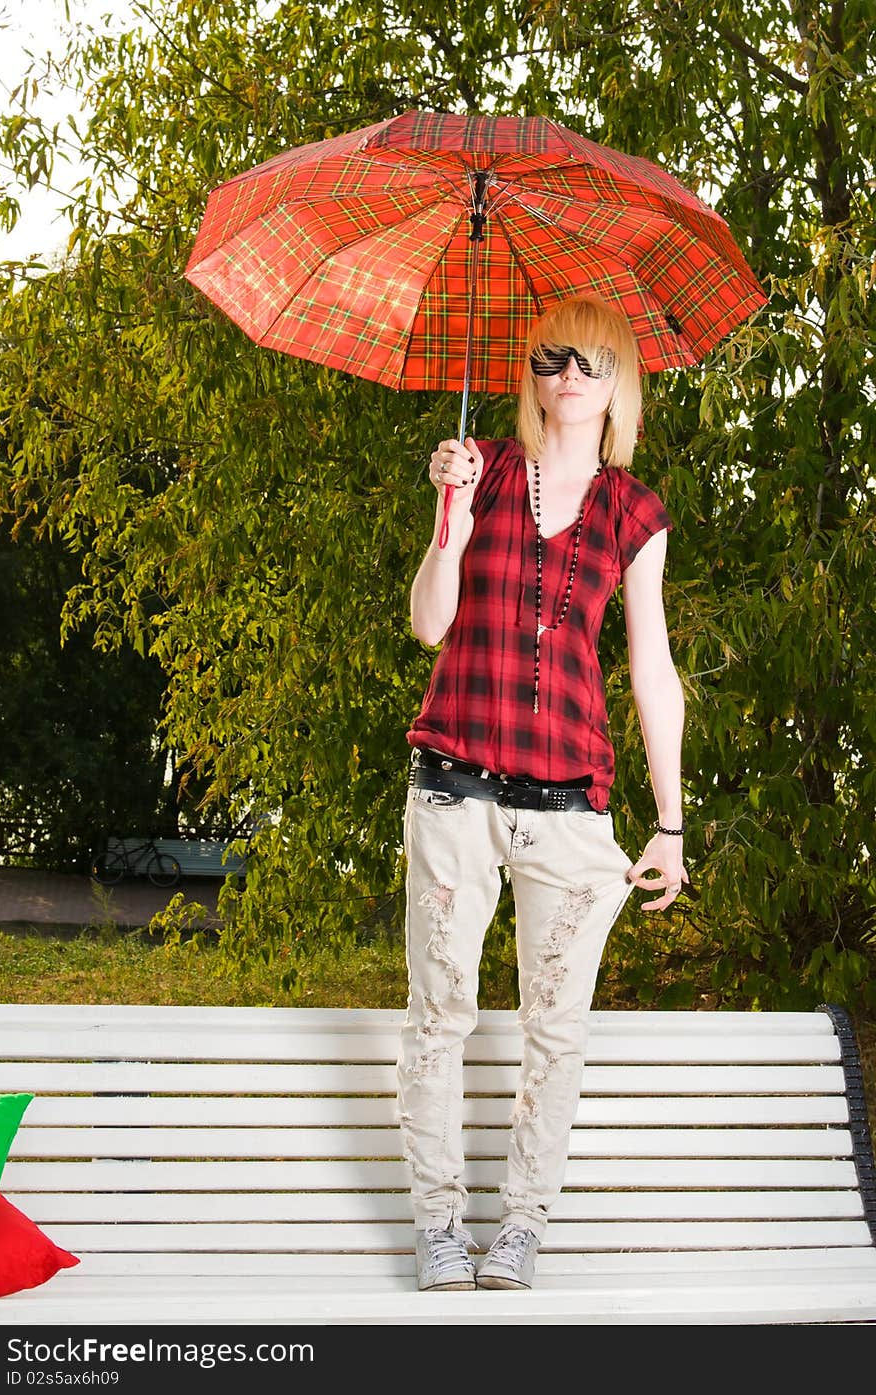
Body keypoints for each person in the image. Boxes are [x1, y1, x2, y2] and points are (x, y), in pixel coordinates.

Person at [396, 292, 689, 1293]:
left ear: (618, 384)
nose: (568, 374)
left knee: (553, 1030)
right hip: (453, 793)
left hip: (570, 809)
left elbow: (651, 669)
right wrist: (451, 518)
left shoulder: (632, 512)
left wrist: (670, 823)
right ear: (529, 373)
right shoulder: (479, 470)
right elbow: (430, 627)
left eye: (591, 361)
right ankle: (437, 1223)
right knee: (440, 1014)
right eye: (551, 357)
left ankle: (522, 1225)